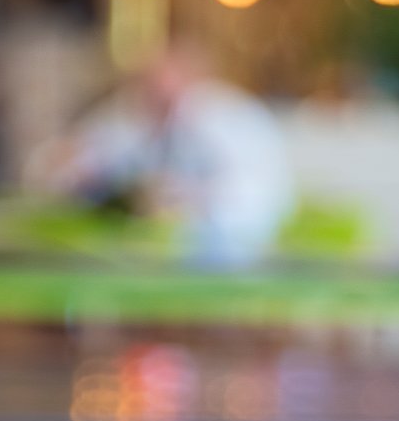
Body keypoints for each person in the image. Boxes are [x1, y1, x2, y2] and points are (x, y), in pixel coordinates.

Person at [34, 41, 294, 266]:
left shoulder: (233, 119)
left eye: (168, 83)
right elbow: (64, 167)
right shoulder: (127, 113)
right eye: (150, 84)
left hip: (225, 257)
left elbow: (262, 195)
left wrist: (192, 198)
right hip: (135, 257)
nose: (158, 94)